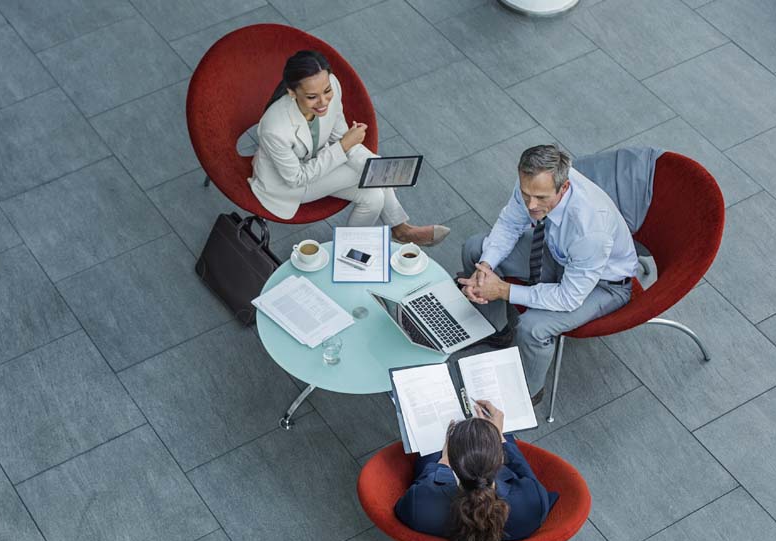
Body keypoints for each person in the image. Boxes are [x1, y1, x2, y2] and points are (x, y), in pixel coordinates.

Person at [457, 145, 638, 405]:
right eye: (526, 193)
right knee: (475, 249)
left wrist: (503, 290)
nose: (531, 205)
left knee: (533, 328)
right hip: (559, 253)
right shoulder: (534, 183)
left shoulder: (590, 230)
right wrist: (486, 265)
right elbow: (510, 223)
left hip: (604, 285)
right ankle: (497, 330)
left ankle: (528, 392)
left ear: (563, 188)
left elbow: (568, 298)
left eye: (541, 198)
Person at [249, 50, 448, 246]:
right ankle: (402, 230)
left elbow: (340, 138)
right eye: (312, 97)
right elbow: (297, 178)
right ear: (292, 93)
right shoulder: (274, 128)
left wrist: (367, 159)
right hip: (286, 185)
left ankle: (348, 253)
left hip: (318, 162)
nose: (323, 102)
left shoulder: (332, 84)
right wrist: (368, 162)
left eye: (326, 91)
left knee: (374, 197)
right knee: (370, 175)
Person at [394, 401, 558, 541]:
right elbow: (525, 473)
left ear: (452, 461)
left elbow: (403, 510)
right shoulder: (533, 502)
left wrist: (442, 463)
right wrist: (500, 437)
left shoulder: (418, 504)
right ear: (501, 460)